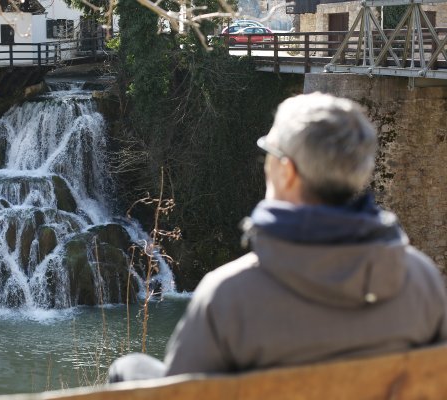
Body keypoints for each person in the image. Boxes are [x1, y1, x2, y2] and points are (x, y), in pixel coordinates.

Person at [108, 92, 447, 382]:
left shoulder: (229, 295)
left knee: (129, 368)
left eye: (269, 152)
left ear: (286, 171)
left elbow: (182, 392)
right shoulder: (422, 280)